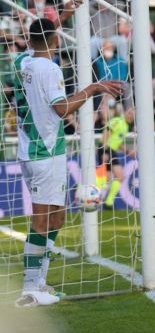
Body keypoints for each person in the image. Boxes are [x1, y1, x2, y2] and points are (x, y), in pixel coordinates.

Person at [14, 17, 123, 307]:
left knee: (56, 218)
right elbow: (62, 109)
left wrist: (59, 18)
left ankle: (40, 283)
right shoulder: (48, 68)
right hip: (44, 153)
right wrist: (93, 89)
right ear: (55, 40)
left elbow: (40, 39)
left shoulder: (23, 61)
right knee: (41, 221)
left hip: (37, 151)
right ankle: (29, 287)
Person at [99, 100, 132, 209]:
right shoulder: (118, 121)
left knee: (108, 179)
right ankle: (108, 202)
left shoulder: (126, 126)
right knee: (116, 177)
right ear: (125, 113)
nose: (131, 116)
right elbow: (107, 132)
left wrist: (128, 151)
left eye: (133, 115)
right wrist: (104, 149)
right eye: (130, 113)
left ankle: (108, 203)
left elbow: (118, 143)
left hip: (111, 150)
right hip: (106, 149)